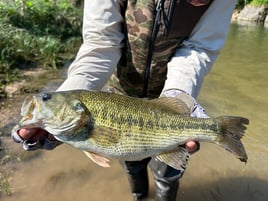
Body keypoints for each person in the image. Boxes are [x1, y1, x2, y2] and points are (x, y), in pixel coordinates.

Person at [12, 0, 237, 200]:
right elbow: (101, 44)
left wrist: (179, 95)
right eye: (46, 98)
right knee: (131, 163)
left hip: (171, 99)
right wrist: (67, 95)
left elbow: (198, 48)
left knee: (169, 173)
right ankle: (139, 195)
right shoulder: (81, 115)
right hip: (118, 95)